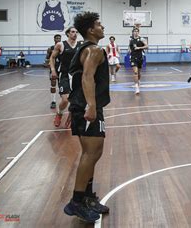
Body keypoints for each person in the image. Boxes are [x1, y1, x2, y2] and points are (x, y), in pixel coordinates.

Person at [64, 12, 110, 223]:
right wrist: (91, 106)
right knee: (91, 153)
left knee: (94, 152)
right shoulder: (94, 50)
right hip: (87, 106)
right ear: (91, 30)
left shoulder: (84, 49)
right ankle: (76, 201)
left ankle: (88, 198)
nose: (102, 27)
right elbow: (87, 77)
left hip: (81, 105)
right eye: (99, 25)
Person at [50, 27, 81, 128]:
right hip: (64, 74)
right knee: (65, 100)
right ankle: (59, 114)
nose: (75, 34)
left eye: (76, 32)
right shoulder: (61, 45)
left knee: (76, 99)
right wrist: (53, 70)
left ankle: (71, 114)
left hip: (76, 75)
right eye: (72, 32)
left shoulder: (81, 45)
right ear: (68, 34)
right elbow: (52, 57)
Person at [129, 27, 147, 94]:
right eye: (134, 31)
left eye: (137, 31)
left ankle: (138, 81)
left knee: (139, 73)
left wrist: (139, 47)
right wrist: (129, 51)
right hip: (133, 57)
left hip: (140, 57)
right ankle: (136, 87)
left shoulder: (142, 39)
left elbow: (147, 46)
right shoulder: (131, 39)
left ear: (138, 32)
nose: (136, 32)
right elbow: (130, 47)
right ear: (133, 32)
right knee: (135, 72)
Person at [45, 34, 62, 109]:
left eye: (59, 38)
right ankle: (53, 101)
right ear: (54, 39)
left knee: (63, 86)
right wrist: (48, 62)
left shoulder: (63, 47)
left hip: (62, 69)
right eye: (57, 38)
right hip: (53, 69)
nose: (58, 39)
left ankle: (64, 101)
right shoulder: (50, 48)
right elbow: (47, 59)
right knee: (53, 84)